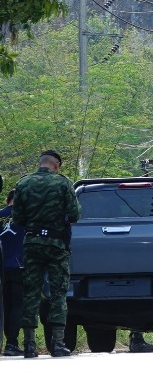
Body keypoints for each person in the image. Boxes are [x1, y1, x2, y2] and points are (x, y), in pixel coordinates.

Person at [12, 150, 80, 358]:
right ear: (57, 165)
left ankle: (29, 345)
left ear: (40, 164)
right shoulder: (63, 183)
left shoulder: (23, 184)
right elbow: (75, 214)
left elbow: (17, 219)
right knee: (58, 292)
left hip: (32, 243)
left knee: (31, 292)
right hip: (56, 245)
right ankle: (58, 344)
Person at [1, 189, 26, 356]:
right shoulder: (26, 218)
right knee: (17, 305)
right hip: (19, 266)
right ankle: (12, 343)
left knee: (5, 306)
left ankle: (7, 342)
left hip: (1, 268)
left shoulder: (1, 215)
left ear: (8, 199)